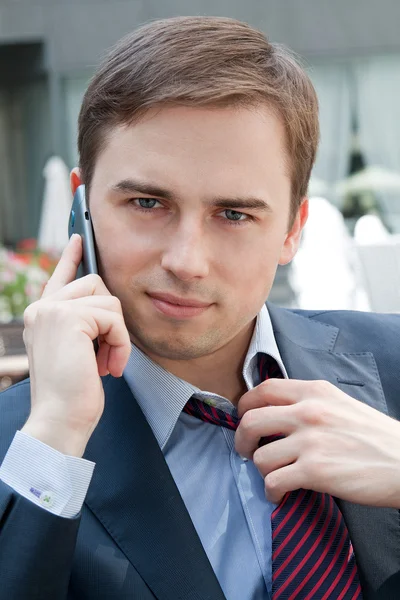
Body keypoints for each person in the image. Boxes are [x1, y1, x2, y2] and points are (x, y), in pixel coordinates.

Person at [0, 16, 399, 600]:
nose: (187, 261)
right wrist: (57, 433)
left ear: (293, 229)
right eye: (146, 202)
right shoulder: (23, 442)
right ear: (79, 209)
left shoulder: (392, 365)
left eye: (234, 214)